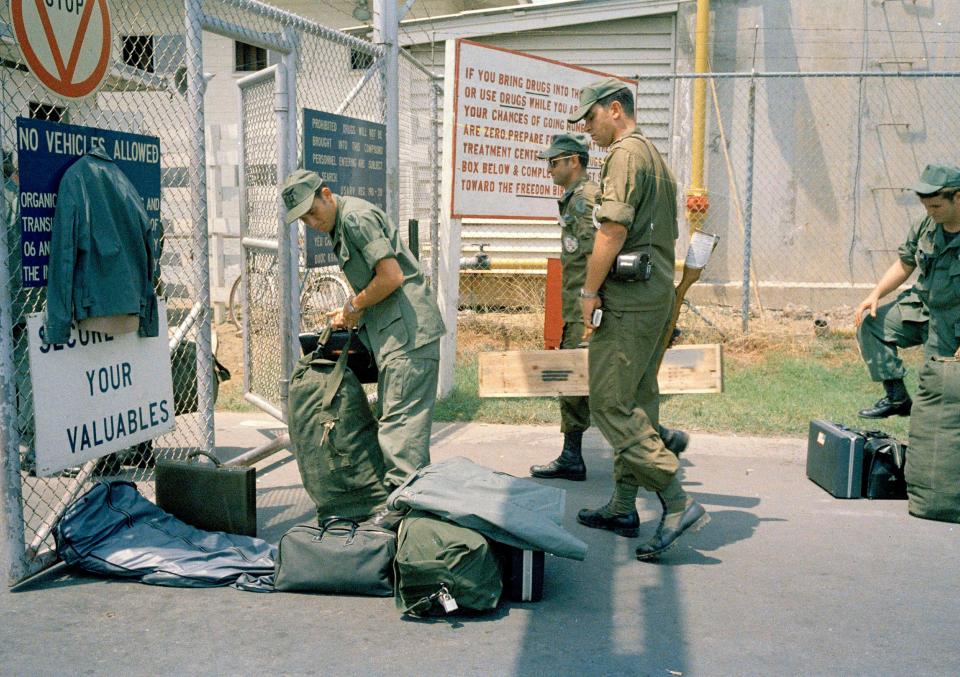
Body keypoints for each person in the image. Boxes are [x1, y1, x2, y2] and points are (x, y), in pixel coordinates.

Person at [567, 78, 708, 560]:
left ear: (614, 110)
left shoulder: (626, 154)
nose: (587, 129)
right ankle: (624, 505)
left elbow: (612, 228)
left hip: (627, 302)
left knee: (609, 404)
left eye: (590, 118)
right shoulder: (655, 155)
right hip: (654, 297)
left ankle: (676, 498)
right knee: (638, 402)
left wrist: (588, 292)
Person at [529, 133, 689, 482]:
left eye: (554, 163)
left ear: (574, 161)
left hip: (588, 307)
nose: (549, 170)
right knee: (588, 383)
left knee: (593, 385)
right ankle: (588, 452)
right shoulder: (575, 199)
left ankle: (655, 440)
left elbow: (598, 252)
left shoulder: (584, 201)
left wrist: (592, 303)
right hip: (579, 304)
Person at [281, 170, 445, 502]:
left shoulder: (355, 218)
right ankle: (411, 513)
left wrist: (354, 305)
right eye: (303, 219)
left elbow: (391, 276)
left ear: (326, 193)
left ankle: (404, 521)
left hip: (408, 337)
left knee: (401, 437)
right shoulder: (340, 225)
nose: (311, 222)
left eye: (312, 211)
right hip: (397, 337)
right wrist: (349, 313)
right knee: (399, 427)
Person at [855, 164, 960, 418]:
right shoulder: (928, 224)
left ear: (958, 197)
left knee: (935, 393)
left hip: (951, 320)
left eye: (936, 207)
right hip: (921, 306)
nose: (930, 212)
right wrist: (876, 294)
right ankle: (896, 397)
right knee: (871, 323)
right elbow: (905, 263)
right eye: (926, 206)